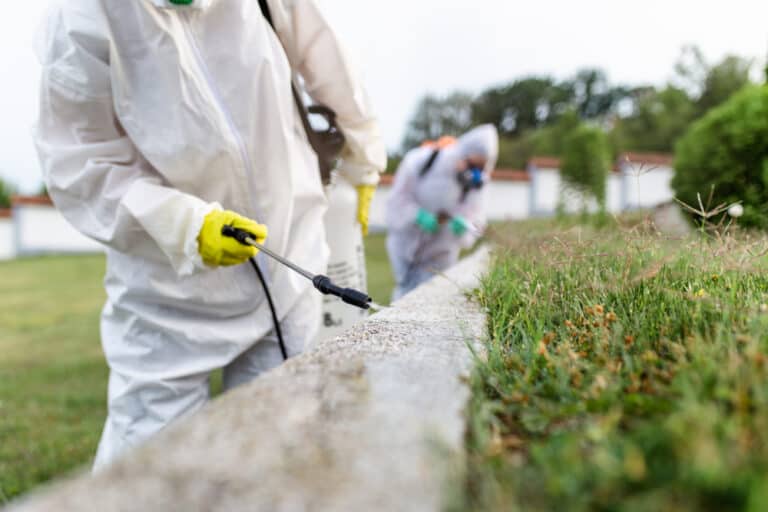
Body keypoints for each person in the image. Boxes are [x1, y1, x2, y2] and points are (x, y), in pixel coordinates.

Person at [34, 0, 385, 469]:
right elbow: (80, 162)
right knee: (146, 474)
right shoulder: (85, 18)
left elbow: (330, 65)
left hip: (287, 270)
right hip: (167, 298)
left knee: (278, 460)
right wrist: (182, 224)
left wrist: (364, 160)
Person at [385, 125, 498, 300]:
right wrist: (417, 216)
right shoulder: (420, 161)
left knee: (434, 299)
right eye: (471, 165)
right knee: (405, 298)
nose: (474, 173)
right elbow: (396, 201)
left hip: (441, 255)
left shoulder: (478, 185)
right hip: (406, 248)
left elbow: (477, 220)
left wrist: (465, 227)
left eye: (480, 168)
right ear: (461, 154)